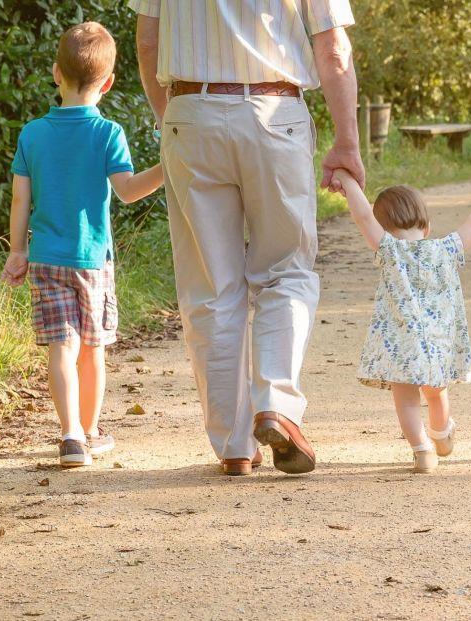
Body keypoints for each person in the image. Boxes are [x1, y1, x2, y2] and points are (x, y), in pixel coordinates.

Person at [130, 1, 364, 476]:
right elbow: (333, 48)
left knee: (209, 287)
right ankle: (276, 405)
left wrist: (171, 117)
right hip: (275, 112)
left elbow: (148, 41)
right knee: (287, 271)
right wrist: (347, 142)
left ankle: (234, 445)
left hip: (189, 112)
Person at [1, 22, 164, 467]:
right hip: (93, 261)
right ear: (108, 83)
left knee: (61, 348)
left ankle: (70, 435)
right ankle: (90, 432)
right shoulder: (108, 133)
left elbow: (20, 198)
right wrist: (170, 165)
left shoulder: (32, 133)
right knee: (93, 351)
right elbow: (129, 190)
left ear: (57, 72)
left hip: (46, 259)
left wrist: (18, 251)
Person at [332, 168, 471, 473]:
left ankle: (422, 449)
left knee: (407, 400)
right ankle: (441, 433)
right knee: (436, 393)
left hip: (402, 345)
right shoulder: (446, 248)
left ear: (382, 228)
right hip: (438, 343)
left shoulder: (388, 249)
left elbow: (362, 216)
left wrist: (347, 182)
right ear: (426, 227)